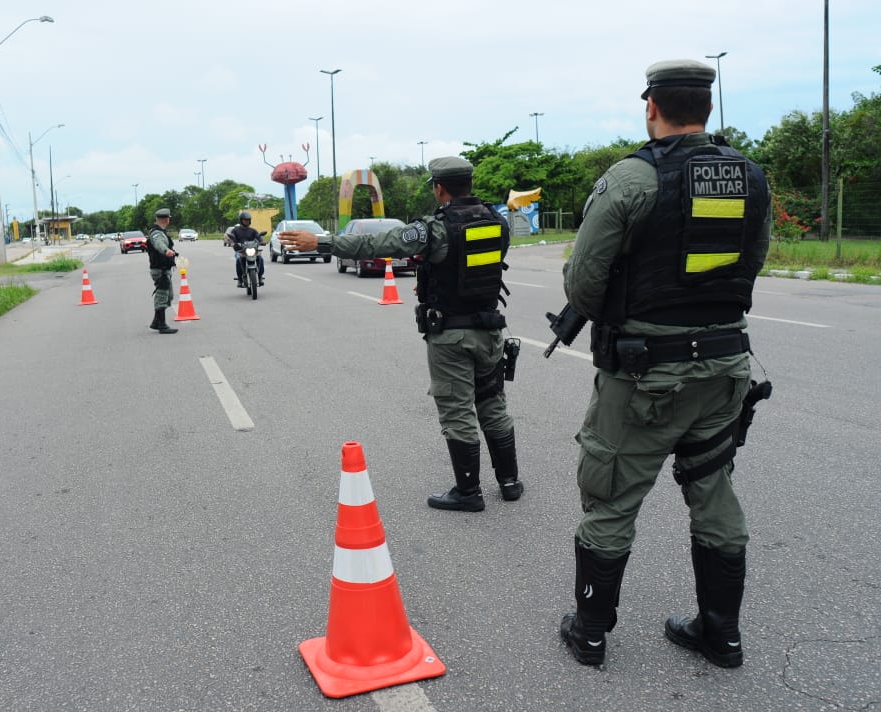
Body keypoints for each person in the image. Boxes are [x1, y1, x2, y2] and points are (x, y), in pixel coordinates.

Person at [556, 59, 771, 668]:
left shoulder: (631, 178)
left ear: (651, 105)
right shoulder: (750, 176)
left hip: (647, 375)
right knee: (713, 490)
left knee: (612, 498)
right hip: (725, 366)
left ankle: (590, 633)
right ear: (706, 107)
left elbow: (583, 285)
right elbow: (752, 262)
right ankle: (721, 635)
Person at [278, 156, 522, 512]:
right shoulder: (496, 221)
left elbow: (380, 244)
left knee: (457, 411)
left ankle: (468, 492)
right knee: (492, 404)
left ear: (439, 188)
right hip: (491, 331)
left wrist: (322, 242)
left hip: (452, 336)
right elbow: (476, 268)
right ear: (470, 183)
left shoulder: (435, 228)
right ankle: (510, 482)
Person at [146, 208, 179, 334]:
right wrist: (166, 251)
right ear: (166, 219)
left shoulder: (161, 232)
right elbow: (158, 243)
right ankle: (162, 325)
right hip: (160, 270)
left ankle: (156, 322)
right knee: (162, 295)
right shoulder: (157, 234)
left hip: (164, 269)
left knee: (168, 295)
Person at [227, 211, 265, 287]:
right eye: (245, 220)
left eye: (248, 220)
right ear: (241, 220)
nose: (246, 221)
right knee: (238, 259)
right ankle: (240, 279)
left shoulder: (253, 230)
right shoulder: (235, 230)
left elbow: (259, 237)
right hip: (240, 250)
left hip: (252, 250)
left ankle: (260, 277)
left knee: (260, 258)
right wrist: (232, 243)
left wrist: (262, 241)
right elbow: (231, 238)